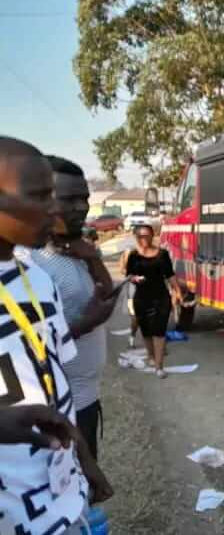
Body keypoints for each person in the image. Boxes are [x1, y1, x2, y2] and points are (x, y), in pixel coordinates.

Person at [0, 137, 112, 534]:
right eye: (40, 195)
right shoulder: (40, 264)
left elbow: (53, 374)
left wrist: (84, 455)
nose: (54, 208)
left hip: (63, 491)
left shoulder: (33, 279)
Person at [22, 155, 117, 460]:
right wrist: (85, 324)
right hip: (57, 404)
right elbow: (25, 344)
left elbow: (105, 291)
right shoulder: (28, 261)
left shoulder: (74, 248)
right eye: (70, 199)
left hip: (86, 395)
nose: (81, 207)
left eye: (85, 198)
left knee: (87, 484)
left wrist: (91, 257)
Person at [125, 224, 181, 378]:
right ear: (136, 237)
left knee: (159, 331)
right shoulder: (133, 256)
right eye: (141, 236)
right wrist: (135, 278)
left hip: (161, 297)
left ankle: (159, 366)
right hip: (141, 298)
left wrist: (177, 290)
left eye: (147, 235)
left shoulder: (162, 254)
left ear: (152, 236)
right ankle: (151, 355)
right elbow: (129, 275)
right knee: (147, 331)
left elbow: (170, 274)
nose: (144, 239)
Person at [120, 247, 139, 347]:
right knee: (136, 318)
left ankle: (158, 344)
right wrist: (132, 277)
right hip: (131, 292)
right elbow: (122, 270)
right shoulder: (126, 254)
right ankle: (132, 338)